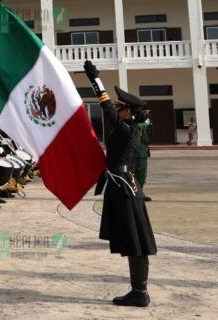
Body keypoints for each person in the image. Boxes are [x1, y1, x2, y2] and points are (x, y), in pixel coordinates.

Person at [84, 60, 157, 307]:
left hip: (124, 190)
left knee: (136, 242)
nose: (117, 111)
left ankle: (140, 293)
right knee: (132, 241)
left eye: (120, 108)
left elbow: (105, 106)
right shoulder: (130, 129)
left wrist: (95, 80)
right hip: (124, 186)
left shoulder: (127, 130)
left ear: (129, 112)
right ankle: (139, 291)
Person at [134, 111, 152, 201]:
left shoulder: (144, 123)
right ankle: (135, 193)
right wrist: (144, 124)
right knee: (135, 173)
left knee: (142, 174)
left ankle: (139, 192)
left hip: (143, 151)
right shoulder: (135, 123)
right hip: (136, 151)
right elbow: (137, 126)